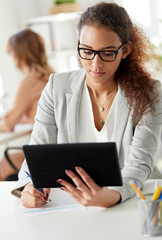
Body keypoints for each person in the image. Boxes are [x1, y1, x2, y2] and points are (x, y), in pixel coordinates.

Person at [14, 2, 161, 208]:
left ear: (125, 50)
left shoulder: (149, 92)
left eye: (108, 53)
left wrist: (112, 195)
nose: (95, 64)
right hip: (71, 205)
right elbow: (37, 152)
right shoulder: (57, 87)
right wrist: (29, 186)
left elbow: (140, 164)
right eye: (87, 51)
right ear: (78, 45)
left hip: (134, 201)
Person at [0, 29, 53, 180]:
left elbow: (9, 124)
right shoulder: (50, 77)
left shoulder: (29, 82)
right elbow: (35, 116)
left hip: (44, 155)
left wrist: (6, 120)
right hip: (55, 150)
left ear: (19, 55)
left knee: (2, 165)